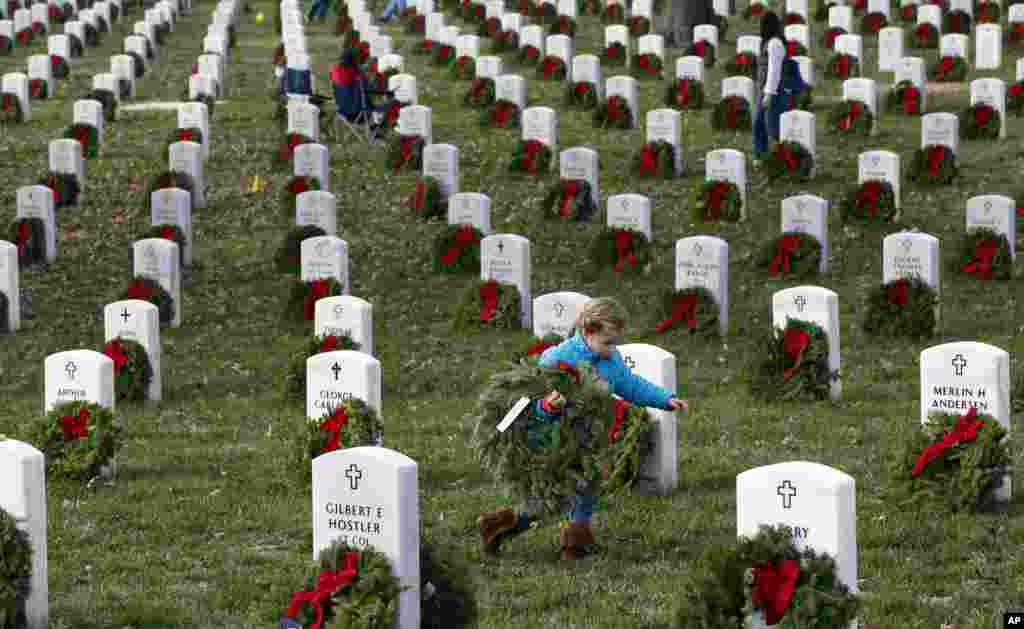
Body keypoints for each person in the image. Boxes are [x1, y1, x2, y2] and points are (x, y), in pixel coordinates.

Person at [477, 298, 689, 561]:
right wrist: (547, 407)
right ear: (588, 332)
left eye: (616, 342)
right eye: (607, 342)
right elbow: (530, 399)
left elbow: (630, 385)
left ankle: (575, 544)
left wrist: (664, 399)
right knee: (555, 495)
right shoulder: (558, 358)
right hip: (554, 441)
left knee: (588, 486)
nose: (613, 349)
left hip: (589, 439)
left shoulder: (611, 360)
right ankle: (499, 524)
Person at [752, 10, 787, 166]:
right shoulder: (767, 43)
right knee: (758, 123)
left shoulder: (775, 44)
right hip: (763, 90)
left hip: (773, 91)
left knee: (774, 127)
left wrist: (769, 93)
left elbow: (774, 70)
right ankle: (761, 155)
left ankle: (790, 151)